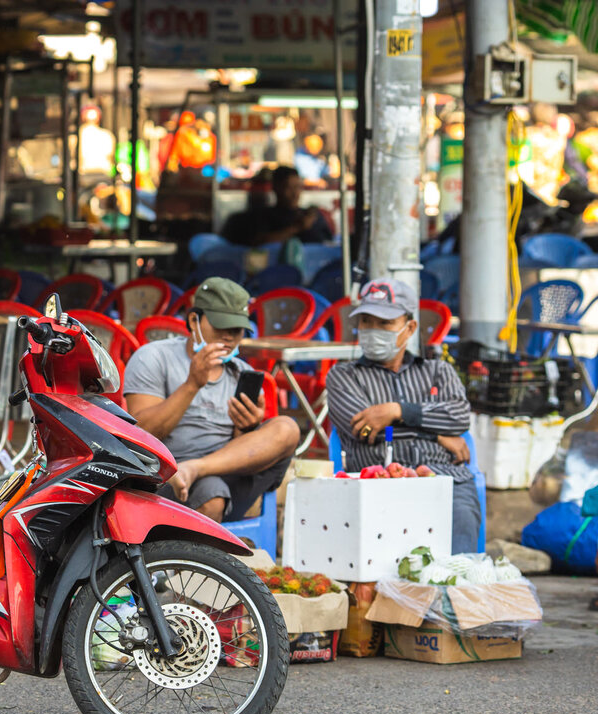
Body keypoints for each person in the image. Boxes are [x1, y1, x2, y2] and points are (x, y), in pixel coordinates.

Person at [123, 278, 300, 524]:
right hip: (163, 476)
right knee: (211, 494)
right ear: (194, 320)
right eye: (221, 327)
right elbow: (142, 433)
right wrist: (192, 385)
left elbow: (241, 453)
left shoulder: (240, 371)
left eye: (236, 331)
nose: (228, 338)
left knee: (287, 428)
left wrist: (246, 428)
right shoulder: (153, 357)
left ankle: (198, 468)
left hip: (222, 472)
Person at [325, 279, 481, 553]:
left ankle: (451, 595)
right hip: (378, 482)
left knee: (460, 540)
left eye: (384, 323)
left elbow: (459, 417)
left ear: (409, 328)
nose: (373, 330)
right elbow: (363, 430)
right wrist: (437, 434)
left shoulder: (438, 371)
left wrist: (396, 411)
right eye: (366, 321)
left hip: (443, 477)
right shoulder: (343, 375)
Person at [220, 166, 334, 247]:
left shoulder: (312, 216)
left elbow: (328, 244)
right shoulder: (262, 217)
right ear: (276, 188)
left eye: (298, 187)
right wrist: (297, 228)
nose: (295, 194)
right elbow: (259, 243)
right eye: (289, 188)